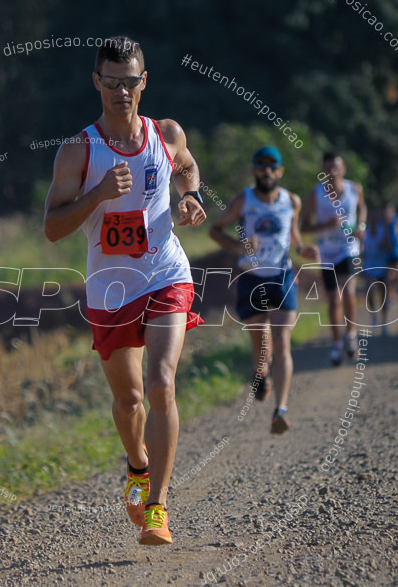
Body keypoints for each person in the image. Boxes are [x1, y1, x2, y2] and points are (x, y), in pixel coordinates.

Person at [43, 36, 207, 546]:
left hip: (165, 272)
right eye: (111, 82)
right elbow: (51, 227)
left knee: (160, 383)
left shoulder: (167, 132)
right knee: (130, 398)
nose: (121, 92)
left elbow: (187, 167)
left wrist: (191, 196)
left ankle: (157, 507)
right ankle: (136, 466)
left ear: (143, 82)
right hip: (110, 286)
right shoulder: (79, 150)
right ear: (97, 83)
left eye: (130, 82)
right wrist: (97, 194)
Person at [210, 146, 318, 434]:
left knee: (282, 341)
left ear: (280, 172)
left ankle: (280, 409)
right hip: (251, 277)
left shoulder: (291, 201)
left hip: (282, 277)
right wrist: (237, 247)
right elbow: (215, 230)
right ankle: (262, 372)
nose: (267, 172)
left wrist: (301, 247)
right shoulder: (242, 201)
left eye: (273, 167)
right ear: (254, 170)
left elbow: (292, 231)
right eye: (261, 166)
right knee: (261, 345)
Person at [300, 151, 366, 366]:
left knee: (348, 291)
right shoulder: (315, 195)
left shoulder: (354, 189)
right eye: (328, 168)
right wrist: (326, 225)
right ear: (323, 170)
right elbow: (304, 226)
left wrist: (361, 226)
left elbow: (362, 208)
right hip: (327, 252)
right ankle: (336, 344)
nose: (332, 172)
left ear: (343, 169)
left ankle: (350, 336)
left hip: (349, 248)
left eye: (335, 167)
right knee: (333, 299)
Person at [361, 202, 398, 335]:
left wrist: (390, 242)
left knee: (384, 295)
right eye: (371, 218)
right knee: (369, 292)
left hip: (382, 265)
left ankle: (384, 321)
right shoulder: (365, 231)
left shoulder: (384, 229)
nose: (374, 220)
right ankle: (373, 316)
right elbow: (360, 248)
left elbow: (389, 247)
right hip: (369, 266)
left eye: (376, 217)